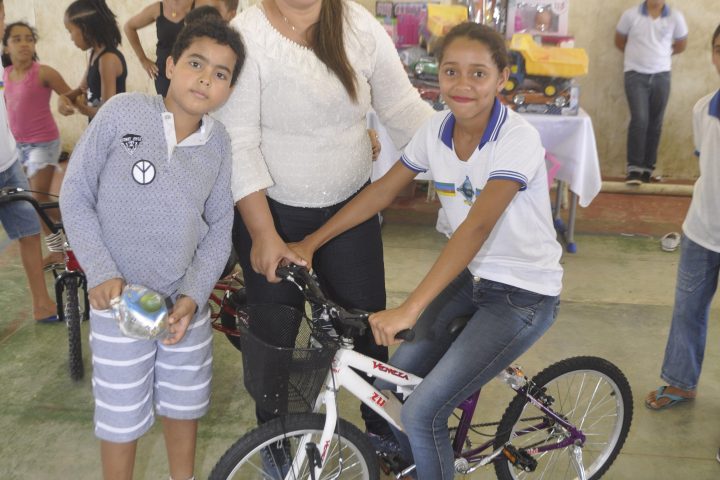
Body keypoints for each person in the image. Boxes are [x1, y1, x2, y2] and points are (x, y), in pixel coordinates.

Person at [291, 22, 563, 478]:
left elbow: (476, 228)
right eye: (451, 71)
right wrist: (311, 243)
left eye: (478, 73)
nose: (463, 84)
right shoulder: (436, 129)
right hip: (471, 278)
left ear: (502, 78)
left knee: (422, 413)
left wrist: (410, 309)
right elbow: (382, 191)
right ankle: (428, 464)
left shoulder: (517, 138)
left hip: (523, 293)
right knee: (392, 386)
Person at [213, 0, 433, 458]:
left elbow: (402, 108)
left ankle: (383, 437)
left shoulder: (358, 24)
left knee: (368, 331)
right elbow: (238, 141)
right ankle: (279, 446)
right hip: (270, 216)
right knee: (277, 342)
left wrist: (464, 151)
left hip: (351, 213)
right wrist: (263, 234)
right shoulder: (247, 34)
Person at [59, 17, 245, 480]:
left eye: (221, 73)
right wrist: (101, 271)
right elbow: (75, 193)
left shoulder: (219, 144)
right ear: (170, 65)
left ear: (229, 89)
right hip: (119, 305)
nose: (205, 78)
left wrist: (193, 296)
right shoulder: (122, 112)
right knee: (121, 418)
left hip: (183, 308)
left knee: (184, 406)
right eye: (196, 64)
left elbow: (220, 226)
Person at [645, 25, 720, 421]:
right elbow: (704, 163)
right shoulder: (703, 109)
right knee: (688, 308)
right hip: (701, 229)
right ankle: (680, 381)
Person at [0, 0, 57, 324]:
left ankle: (42, 304)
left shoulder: (16, 68)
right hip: (20, 151)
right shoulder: (9, 70)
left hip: (11, 161)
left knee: (29, 228)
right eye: (16, 38)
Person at [2, 21, 73, 265]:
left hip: (43, 144)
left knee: (37, 199)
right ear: (6, 46)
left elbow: (70, 95)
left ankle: (65, 243)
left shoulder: (44, 72)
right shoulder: (5, 75)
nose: (24, 44)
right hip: (17, 146)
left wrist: (66, 103)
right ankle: (67, 239)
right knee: (33, 201)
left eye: (29, 39)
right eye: (17, 39)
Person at [614, 0, 687, 185]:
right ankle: (634, 169)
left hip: (662, 76)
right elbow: (619, 41)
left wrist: (661, 54)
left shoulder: (675, 17)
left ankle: (647, 169)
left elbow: (681, 44)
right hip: (635, 75)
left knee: (655, 122)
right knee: (639, 119)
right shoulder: (630, 15)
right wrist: (638, 56)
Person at [59, 0, 127, 121]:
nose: (71, 38)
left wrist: (79, 107)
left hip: (112, 131)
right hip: (98, 127)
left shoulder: (108, 59)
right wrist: (63, 98)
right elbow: (81, 89)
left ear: (84, 28)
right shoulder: (95, 55)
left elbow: (107, 114)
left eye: (70, 31)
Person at [124, 0, 196, 96]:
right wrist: (143, 60)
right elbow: (129, 27)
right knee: (166, 104)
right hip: (164, 73)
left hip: (191, 72)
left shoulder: (199, 5)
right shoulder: (158, 8)